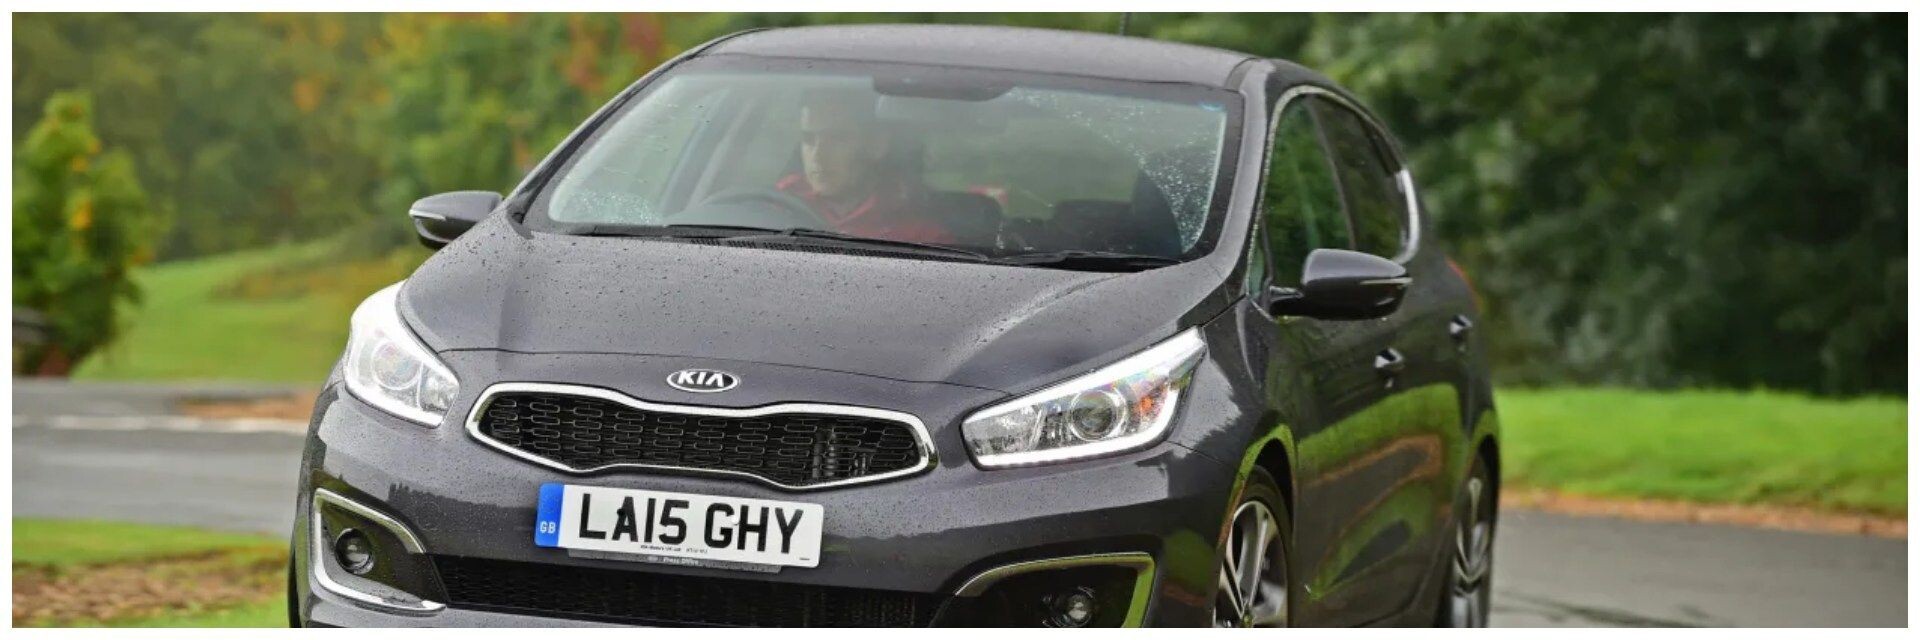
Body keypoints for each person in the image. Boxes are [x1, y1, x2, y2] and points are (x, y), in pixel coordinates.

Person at [774, 90, 956, 244]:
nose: (817, 156)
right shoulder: (777, 203)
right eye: (808, 139)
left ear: (877, 145)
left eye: (838, 139)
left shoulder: (918, 235)